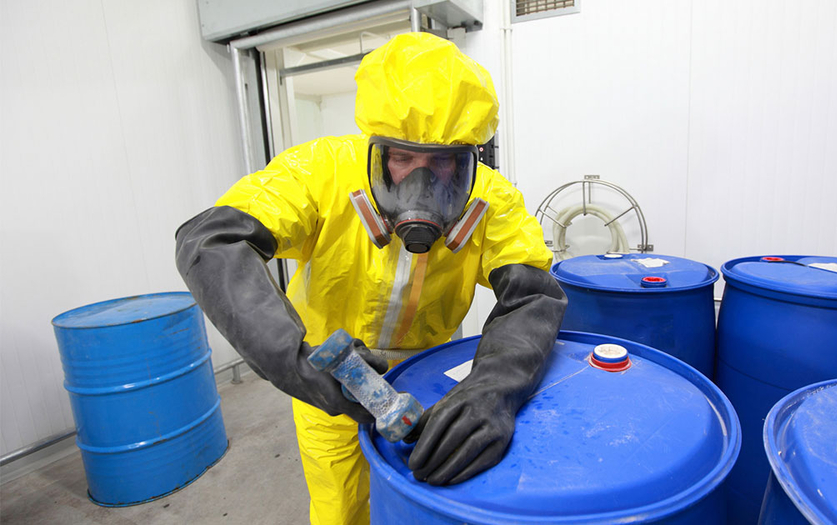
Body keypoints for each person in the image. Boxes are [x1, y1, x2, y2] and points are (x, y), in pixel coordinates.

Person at [175, 32, 567, 525]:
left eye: (444, 162)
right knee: (342, 511)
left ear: (471, 159)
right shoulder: (321, 173)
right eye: (401, 159)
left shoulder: (491, 200)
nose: (420, 184)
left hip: (433, 383)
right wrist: (297, 363)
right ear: (376, 149)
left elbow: (533, 298)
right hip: (331, 384)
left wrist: (493, 388)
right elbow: (211, 242)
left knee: (425, 509)